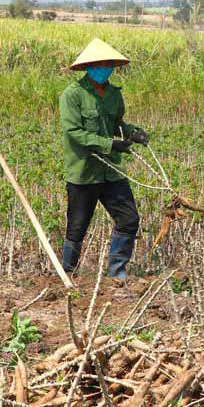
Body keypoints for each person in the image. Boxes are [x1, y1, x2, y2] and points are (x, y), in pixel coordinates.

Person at [59, 38, 149, 282]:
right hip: (84, 172)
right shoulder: (73, 95)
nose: (104, 67)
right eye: (99, 63)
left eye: (108, 63)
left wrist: (133, 132)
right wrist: (110, 144)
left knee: (129, 219)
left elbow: (116, 124)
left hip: (111, 171)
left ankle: (117, 273)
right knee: (77, 228)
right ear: (89, 66)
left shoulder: (114, 94)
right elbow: (74, 133)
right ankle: (67, 275)